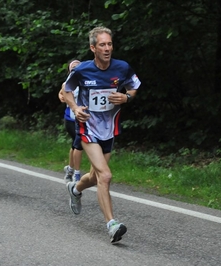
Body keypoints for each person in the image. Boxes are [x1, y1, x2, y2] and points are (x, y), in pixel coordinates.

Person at [62, 26, 141, 243]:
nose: (107, 49)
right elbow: (66, 90)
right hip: (87, 128)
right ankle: (112, 224)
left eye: (109, 44)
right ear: (93, 48)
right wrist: (75, 108)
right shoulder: (82, 70)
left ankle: (75, 189)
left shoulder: (122, 67)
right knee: (105, 176)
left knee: (95, 176)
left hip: (109, 130)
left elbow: (134, 87)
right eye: (102, 45)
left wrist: (127, 98)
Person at [58, 59, 83, 183]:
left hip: (82, 119)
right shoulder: (67, 83)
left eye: (78, 66)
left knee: (75, 144)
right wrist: (62, 96)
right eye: (72, 67)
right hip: (70, 119)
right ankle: (76, 173)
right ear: (69, 71)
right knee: (78, 143)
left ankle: (70, 169)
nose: (75, 69)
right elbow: (61, 94)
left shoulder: (86, 82)